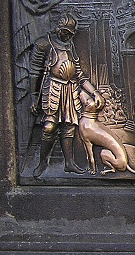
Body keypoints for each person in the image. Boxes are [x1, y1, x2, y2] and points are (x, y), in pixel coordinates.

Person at [29, 14, 103, 177]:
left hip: (70, 89)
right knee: (49, 127)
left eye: (70, 34)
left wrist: (95, 92)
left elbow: (79, 74)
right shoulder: (44, 43)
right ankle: (42, 162)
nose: (68, 36)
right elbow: (34, 71)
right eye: (65, 32)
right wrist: (34, 96)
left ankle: (69, 163)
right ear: (58, 29)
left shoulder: (69, 45)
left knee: (69, 126)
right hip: (53, 87)